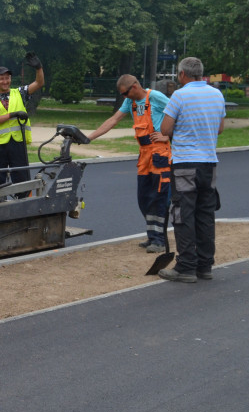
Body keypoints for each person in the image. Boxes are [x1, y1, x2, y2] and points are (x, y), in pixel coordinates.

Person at [86, 75, 172, 253]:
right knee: (144, 197)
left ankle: (159, 240)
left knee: (159, 197)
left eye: (125, 93)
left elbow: (179, 114)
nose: (124, 97)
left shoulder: (155, 97)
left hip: (160, 153)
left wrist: (167, 136)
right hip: (144, 155)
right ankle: (152, 236)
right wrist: (88, 138)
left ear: (134, 87)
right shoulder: (130, 103)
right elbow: (113, 120)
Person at [158, 57, 225, 283]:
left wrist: (181, 129)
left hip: (185, 163)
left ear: (183, 75)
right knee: (205, 213)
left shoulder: (180, 95)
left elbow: (165, 129)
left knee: (183, 214)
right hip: (209, 163)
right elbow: (220, 128)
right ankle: (205, 265)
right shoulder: (217, 94)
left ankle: (186, 266)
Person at [0, 53, 45, 187]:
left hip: (17, 142)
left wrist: (39, 68)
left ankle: (22, 201)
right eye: (1, 79)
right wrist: (13, 114)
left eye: (7, 78)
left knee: (22, 177)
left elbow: (39, 83)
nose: (5, 81)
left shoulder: (19, 92)